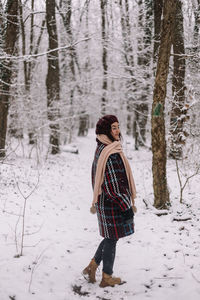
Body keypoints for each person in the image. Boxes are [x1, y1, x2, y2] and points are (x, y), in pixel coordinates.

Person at [83, 115, 137, 288]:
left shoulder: (104, 147)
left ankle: (92, 266)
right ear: (106, 130)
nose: (117, 130)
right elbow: (113, 185)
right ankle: (107, 277)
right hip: (111, 203)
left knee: (109, 237)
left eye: (118, 126)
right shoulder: (110, 153)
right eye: (113, 127)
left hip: (104, 201)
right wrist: (126, 206)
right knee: (112, 238)